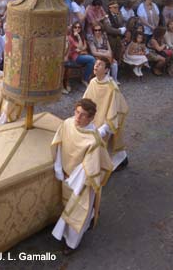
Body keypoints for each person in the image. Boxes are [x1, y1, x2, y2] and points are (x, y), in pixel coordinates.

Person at [51, 99, 113, 252]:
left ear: (91, 118)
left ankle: (71, 244)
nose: (78, 118)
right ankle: (92, 213)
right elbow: (59, 145)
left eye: (83, 115)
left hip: (82, 182)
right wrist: (59, 170)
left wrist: (74, 182)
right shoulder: (67, 124)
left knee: (78, 212)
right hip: (66, 174)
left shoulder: (93, 140)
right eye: (77, 112)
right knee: (67, 206)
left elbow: (90, 168)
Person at [83, 57, 129, 170]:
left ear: (107, 70)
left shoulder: (112, 88)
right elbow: (85, 100)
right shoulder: (93, 82)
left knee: (108, 142)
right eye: (96, 64)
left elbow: (114, 110)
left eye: (100, 65)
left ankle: (120, 160)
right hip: (94, 118)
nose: (96, 66)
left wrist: (104, 127)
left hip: (106, 120)